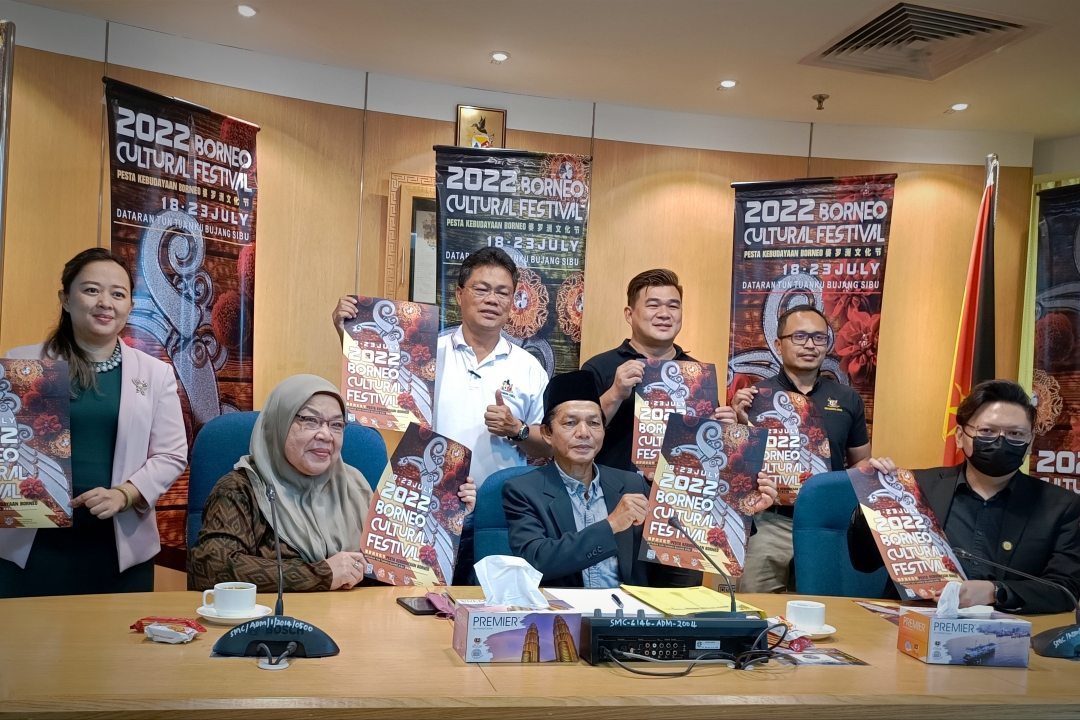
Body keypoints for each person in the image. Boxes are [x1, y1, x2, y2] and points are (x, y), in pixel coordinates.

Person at [334, 248, 549, 583]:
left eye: (503, 292)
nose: (492, 299)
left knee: (487, 611)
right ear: (460, 295)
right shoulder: (423, 352)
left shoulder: (529, 368)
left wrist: (517, 429)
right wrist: (347, 331)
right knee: (416, 610)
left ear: (512, 302)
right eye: (481, 289)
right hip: (425, 505)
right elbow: (377, 384)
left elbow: (547, 447)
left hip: (498, 512)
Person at [0, 248, 188, 597]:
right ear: (66, 299)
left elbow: (172, 454)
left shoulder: (155, 373)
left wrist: (125, 494)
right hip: (33, 545)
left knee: (116, 650)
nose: (106, 302)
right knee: (26, 649)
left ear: (130, 306)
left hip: (118, 546)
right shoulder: (21, 363)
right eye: (91, 290)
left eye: (118, 294)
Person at [188, 374, 478, 592]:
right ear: (278, 424)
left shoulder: (355, 484)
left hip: (357, 634)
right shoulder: (240, 490)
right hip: (274, 636)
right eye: (310, 421)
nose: (326, 435)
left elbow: (407, 569)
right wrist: (321, 574)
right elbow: (211, 570)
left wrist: (447, 517)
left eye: (337, 425)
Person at [503, 370, 778, 588]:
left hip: (629, 616)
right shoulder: (523, 490)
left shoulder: (631, 484)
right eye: (570, 423)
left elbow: (685, 541)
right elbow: (536, 561)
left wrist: (741, 508)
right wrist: (611, 525)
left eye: (594, 423)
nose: (584, 433)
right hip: (561, 618)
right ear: (548, 434)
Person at [848, 380, 1080, 615]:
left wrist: (995, 592)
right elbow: (865, 562)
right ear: (960, 436)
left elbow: (1065, 590)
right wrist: (874, 497)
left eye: (1015, 434)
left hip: (1005, 633)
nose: (1001, 441)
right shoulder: (915, 488)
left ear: (1029, 444)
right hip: (912, 625)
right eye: (987, 431)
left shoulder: (1060, 506)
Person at [580, 268, 733, 588]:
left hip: (681, 509)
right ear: (630, 313)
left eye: (673, 305)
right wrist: (614, 394)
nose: (664, 313)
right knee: (617, 600)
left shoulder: (698, 375)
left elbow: (709, 454)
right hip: (614, 505)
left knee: (679, 608)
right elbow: (576, 438)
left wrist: (726, 431)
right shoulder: (602, 367)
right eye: (653, 305)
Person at [728, 303, 871, 593]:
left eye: (819, 337)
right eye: (800, 337)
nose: (810, 345)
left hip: (828, 525)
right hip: (769, 522)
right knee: (756, 609)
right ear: (779, 344)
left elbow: (860, 461)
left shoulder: (847, 398)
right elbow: (734, 471)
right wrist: (741, 424)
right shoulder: (754, 398)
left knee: (825, 611)